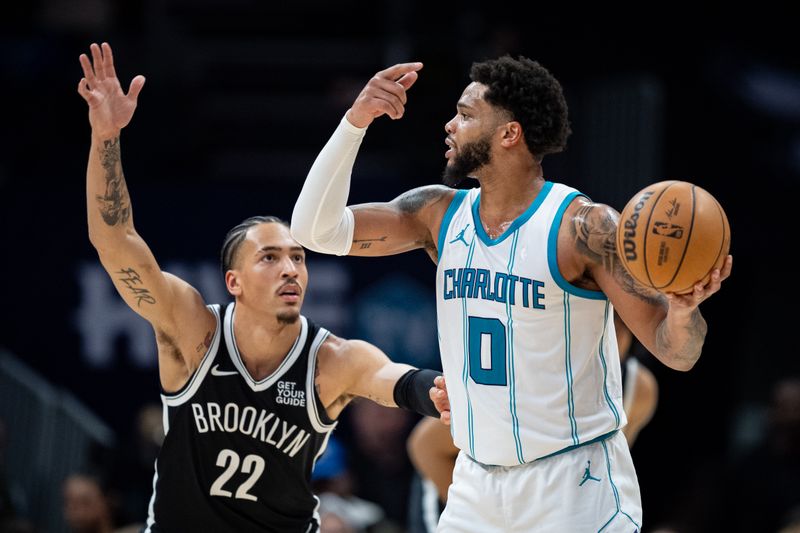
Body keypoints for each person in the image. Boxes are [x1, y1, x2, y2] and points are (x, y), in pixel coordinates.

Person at [291, 55, 732, 531]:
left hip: (572, 486)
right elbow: (314, 231)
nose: (450, 124)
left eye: (465, 114)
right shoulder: (437, 215)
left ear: (509, 134)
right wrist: (355, 122)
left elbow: (676, 352)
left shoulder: (581, 228)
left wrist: (684, 311)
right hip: (476, 484)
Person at [77, 42, 445, 533]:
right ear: (234, 282)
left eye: (298, 257)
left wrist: (444, 395)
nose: (290, 269)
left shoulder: (331, 360)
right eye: (269, 258)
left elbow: (396, 381)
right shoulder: (195, 332)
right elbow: (115, 241)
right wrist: (105, 136)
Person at [405, 310, 658, 532]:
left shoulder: (639, 389)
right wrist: (489, 517)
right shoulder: (536, 372)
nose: (605, 332)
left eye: (616, 323)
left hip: (543, 508)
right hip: (456, 499)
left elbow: (599, 474)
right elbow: (425, 446)